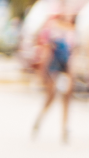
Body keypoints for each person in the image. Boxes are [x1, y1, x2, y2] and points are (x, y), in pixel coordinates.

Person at [32, 13, 75, 143]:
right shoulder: (53, 29)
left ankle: (65, 127)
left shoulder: (71, 31)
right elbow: (47, 51)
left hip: (65, 68)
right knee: (51, 97)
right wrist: (43, 71)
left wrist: (72, 71)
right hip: (53, 67)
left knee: (66, 97)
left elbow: (73, 53)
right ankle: (39, 119)